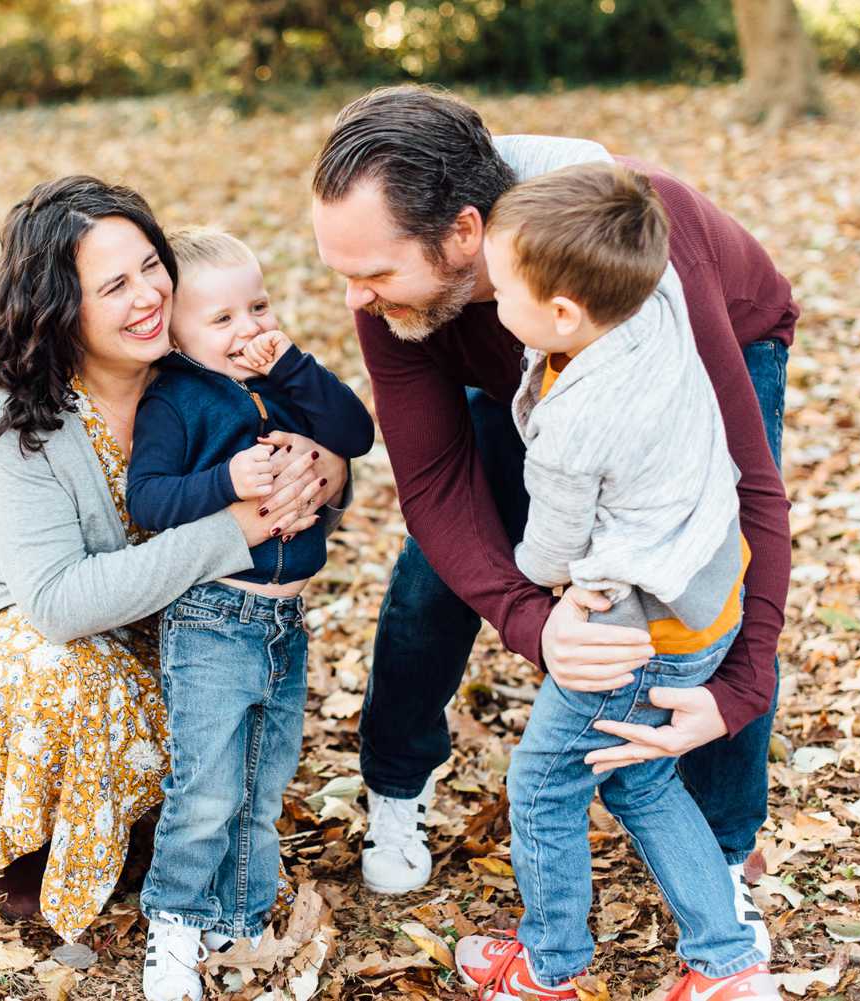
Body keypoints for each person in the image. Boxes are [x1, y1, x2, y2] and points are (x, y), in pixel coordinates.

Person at [310, 85, 794, 953]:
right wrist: (534, 622)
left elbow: (753, 494)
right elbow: (434, 478)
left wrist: (741, 686)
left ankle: (721, 849)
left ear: (464, 232)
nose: (356, 300)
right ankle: (396, 781)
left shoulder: (635, 242)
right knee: (437, 567)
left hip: (715, 338)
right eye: (344, 272)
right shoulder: (406, 292)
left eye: (375, 273)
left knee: (695, 577)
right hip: (517, 362)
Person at [0, 177, 351, 943]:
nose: (148, 294)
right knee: (76, 678)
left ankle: (153, 816)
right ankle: (39, 842)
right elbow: (59, 602)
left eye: (152, 265)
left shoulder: (201, 349)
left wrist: (325, 470)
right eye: (113, 285)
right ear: (61, 308)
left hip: (171, 602)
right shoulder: (21, 411)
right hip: (28, 611)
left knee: (228, 677)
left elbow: (307, 437)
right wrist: (238, 527)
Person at [447, 163, 779, 1001]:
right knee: (638, 773)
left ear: (560, 313)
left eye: (503, 284)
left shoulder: (575, 423)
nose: (489, 291)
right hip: (706, 596)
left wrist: (530, 582)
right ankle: (727, 962)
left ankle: (549, 966)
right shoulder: (653, 305)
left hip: (637, 627)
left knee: (544, 780)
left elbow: (550, 549)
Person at [126, 228, 374, 1001]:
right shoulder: (176, 398)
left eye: (259, 306)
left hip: (283, 623)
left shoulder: (284, 379)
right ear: (177, 333)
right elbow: (150, 497)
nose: (250, 330)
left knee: (264, 780)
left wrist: (294, 367)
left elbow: (357, 434)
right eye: (223, 319)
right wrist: (228, 479)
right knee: (205, 786)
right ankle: (173, 922)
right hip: (211, 614)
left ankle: (238, 917)